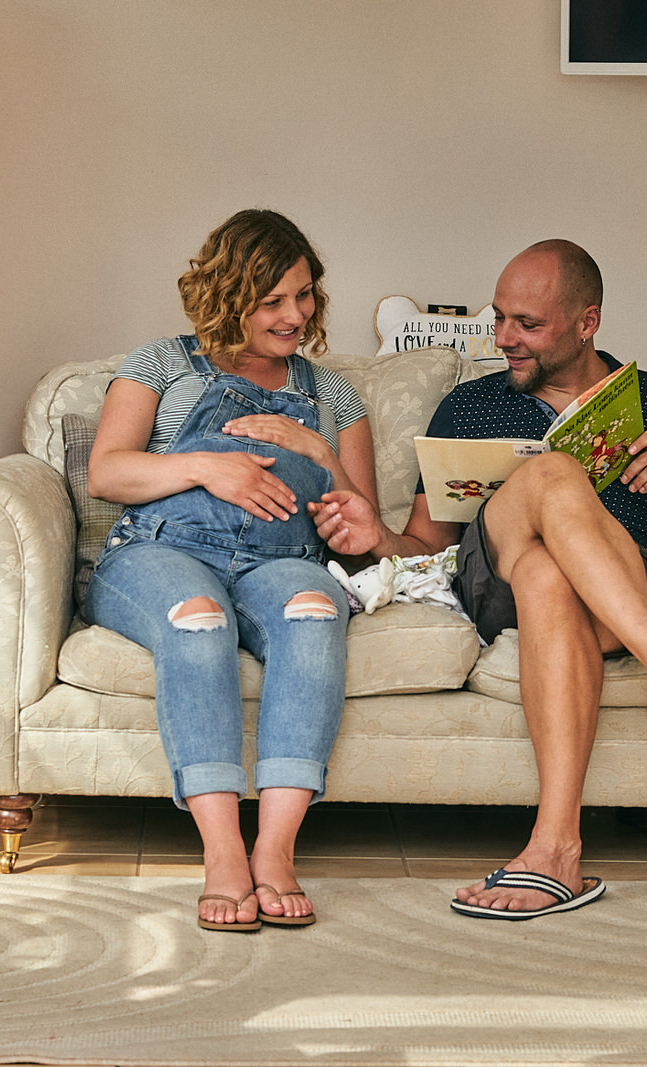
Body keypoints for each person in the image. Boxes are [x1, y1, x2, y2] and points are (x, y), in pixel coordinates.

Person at [312, 239, 647, 921]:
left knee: (551, 572)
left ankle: (555, 852)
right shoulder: (470, 407)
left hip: (633, 589)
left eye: (529, 325)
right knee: (551, 474)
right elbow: (424, 543)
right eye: (500, 319)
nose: (505, 339)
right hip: (498, 584)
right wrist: (376, 538)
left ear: (588, 322)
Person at [85, 209, 378, 932]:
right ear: (227, 294)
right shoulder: (162, 363)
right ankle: (223, 854)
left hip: (283, 558)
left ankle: (274, 851)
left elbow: (360, 520)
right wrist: (207, 467)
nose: (295, 315)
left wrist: (315, 447)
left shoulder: (332, 394)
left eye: (304, 295)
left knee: (316, 611)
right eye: (272, 300)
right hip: (162, 548)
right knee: (198, 619)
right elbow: (107, 471)